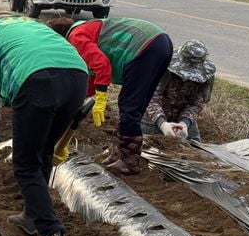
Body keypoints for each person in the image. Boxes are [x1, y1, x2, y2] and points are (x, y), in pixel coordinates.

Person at [0, 14, 88, 236]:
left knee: (24, 163)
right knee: (42, 151)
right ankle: (32, 216)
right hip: (78, 76)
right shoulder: (32, 26)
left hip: (38, 80)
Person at [48, 16, 173, 175]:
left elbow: (102, 65)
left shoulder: (75, 37)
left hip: (146, 46)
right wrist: (76, 102)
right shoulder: (85, 30)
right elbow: (92, 76)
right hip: (158, 44)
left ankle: (129, 162)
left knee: (129, 105)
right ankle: (118, 153)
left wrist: (101, 97)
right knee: (135, 105)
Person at [144, 39, 215, 141]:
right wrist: (163, 124)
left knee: (195, 146)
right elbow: (151, 99)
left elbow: (195, 104)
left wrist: (184, 124)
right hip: (153, 115)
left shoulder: (204, 77)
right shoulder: (164, 69)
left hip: (181, 116)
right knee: (146, 142)